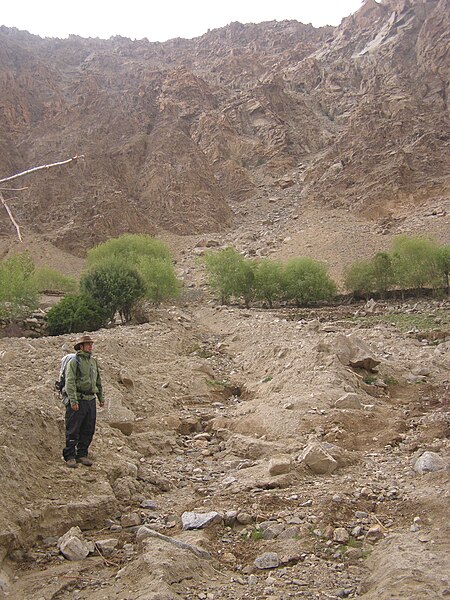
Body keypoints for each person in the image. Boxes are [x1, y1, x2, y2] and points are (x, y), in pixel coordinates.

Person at [62, 334, 105, 468]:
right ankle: (70, 456)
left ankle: (82, 454)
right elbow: (70, 382)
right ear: (81, 346)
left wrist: (100, 397)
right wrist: (73, 401)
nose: (91, 347)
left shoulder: (93, 362)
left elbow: (97, 381)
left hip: (90, 399)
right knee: (73, 429)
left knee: (88, 428)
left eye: (91, 344)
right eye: (88, 344)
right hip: (78, 399)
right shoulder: (74, 362)